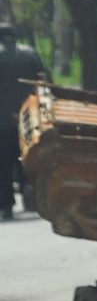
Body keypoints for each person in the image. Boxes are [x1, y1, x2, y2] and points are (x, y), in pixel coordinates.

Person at [0, 23, 50, 220]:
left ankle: (6, 205)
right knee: (29, 156)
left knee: (3, 163)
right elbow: (44, 79)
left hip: (2, 122)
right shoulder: (29, 53)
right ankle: (33, 196)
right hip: (30, 116)